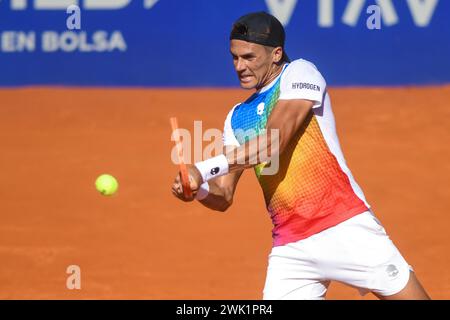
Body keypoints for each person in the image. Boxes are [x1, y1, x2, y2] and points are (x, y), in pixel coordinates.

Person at [171, 11, 430, 300]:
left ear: (276, 54)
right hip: (292, 249)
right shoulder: (236, 117)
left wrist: (203, 168)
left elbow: (272, 143)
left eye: (249, 57)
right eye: (235, 57)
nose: (239, 66)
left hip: (345, 226)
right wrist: (198, 190)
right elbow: (224, 196)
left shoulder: (300, 73)